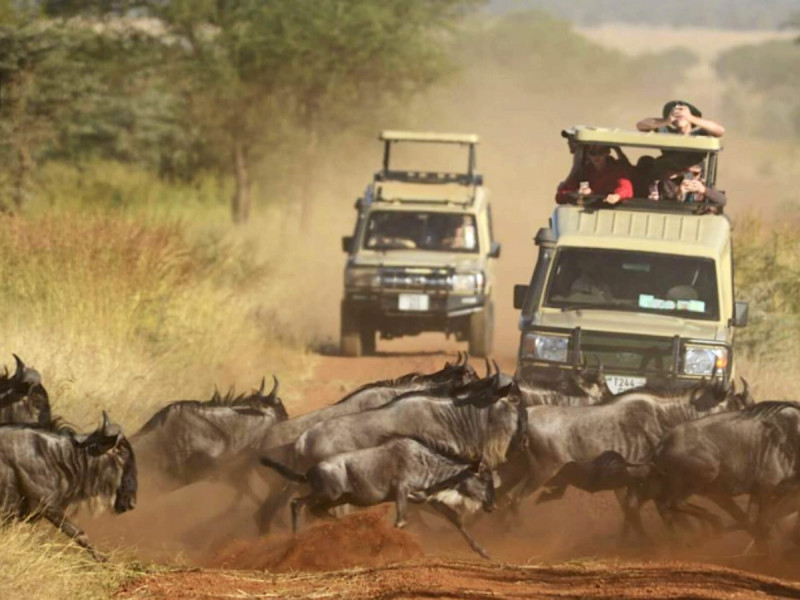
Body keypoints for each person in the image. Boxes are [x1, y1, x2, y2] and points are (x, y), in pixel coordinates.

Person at [555, 145, 633, 205]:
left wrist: (617, 196)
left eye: (601, 152)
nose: (597, 157)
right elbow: (560, 196)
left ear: (607, 153)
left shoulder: (616, 170)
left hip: (608, 209)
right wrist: (576, 193)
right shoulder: (584, 171)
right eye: (593, 153)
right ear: (588, 155)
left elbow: (626, 188)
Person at [650, 158, 727, 212]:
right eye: (688, 173)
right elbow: (664, 204)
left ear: (701, 174)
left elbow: (722, 201)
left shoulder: (704, 185)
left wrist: (703, 190)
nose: (691, 176)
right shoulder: (671, 184)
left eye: (695, 174)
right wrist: (678, 193)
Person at [636, 100, 725, 138]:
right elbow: (641, 125)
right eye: (675, 112)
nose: (679, 113)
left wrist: (689, 117)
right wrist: (666, 120)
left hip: (692, 175)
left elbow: (719, 130)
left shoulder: (700, 134)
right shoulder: (666, 132)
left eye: (681, 109)